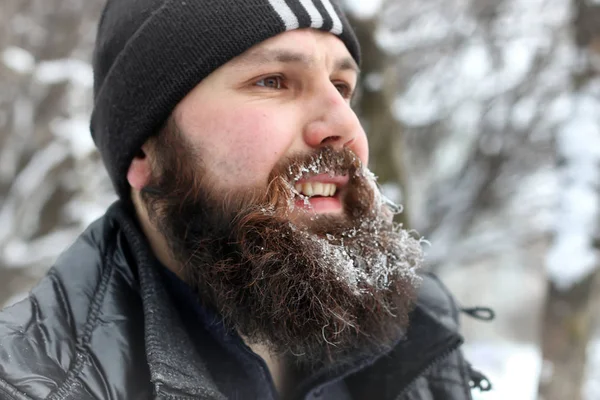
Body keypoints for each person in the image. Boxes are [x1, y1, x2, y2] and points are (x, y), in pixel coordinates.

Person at [0, 1, 489, 399]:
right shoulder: (33, 384)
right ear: (146, 147)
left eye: (342, 87)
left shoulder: (416, 340)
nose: (346, 129)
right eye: (273, 81)